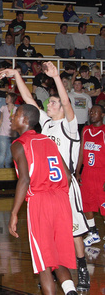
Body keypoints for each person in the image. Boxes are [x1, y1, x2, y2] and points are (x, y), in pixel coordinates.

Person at [0, 63, 90, 291]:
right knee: (58, 246)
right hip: (56, 186)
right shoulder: (45, 127)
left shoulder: (69, 127)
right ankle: (67, 284)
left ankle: (82, 269)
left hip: (61, 189)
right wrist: (18, 76)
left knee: (75, 233)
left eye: (54, 102)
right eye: (48, 102)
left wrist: (57, 77)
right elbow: (29, 102)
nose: (50, 104)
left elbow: (67, 103)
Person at [8, 104, 77, 295]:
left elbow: (24, 179)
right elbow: (68, 176)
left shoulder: (18, 144)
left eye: (15, 114)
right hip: (62, 200)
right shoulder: (48, 140)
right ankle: (71, 291)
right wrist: (57, 194)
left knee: (44, 262)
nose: (11, 117)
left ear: (23, 119)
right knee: (59, 259)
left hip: (40, 201)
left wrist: (14, 213)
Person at [78, 105, 105, 251]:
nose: (92, 113)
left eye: (95, 112)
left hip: (102, 173)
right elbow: (81, 151)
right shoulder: (86, 130)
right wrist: (77, 171)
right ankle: (93, 232)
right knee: (87, 203)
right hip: (88, 172)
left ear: (102, 114)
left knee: (104, 206)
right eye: (91, 112)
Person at [0, 92, 17, 168]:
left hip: (11, 134)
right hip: (3, 132)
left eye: (7, 97)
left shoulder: (16, 109)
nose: (6, 99)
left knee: (10, 153)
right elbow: (1, 119)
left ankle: (8, 169)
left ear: (11, 99)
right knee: (2, 152)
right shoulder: (3, 108)